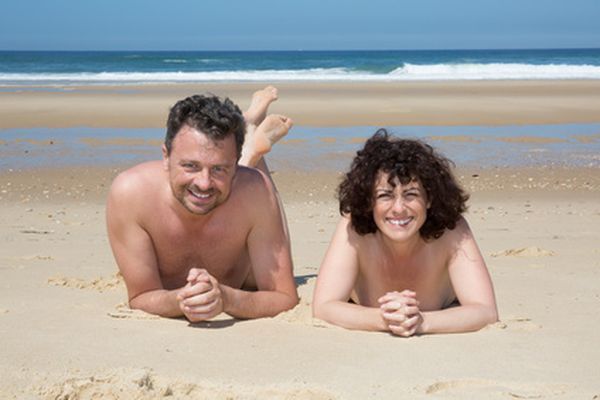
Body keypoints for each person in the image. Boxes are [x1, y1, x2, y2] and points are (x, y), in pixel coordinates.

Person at [106, 86, 299, 322]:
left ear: (234, 164)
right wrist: (180, 300)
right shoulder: (132, 193)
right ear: (166, 157)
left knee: (260, 189)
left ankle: (249, 142)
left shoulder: (254, 191)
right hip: (239, 181)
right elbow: (141, 296)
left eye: (219, 168)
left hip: (243, 272)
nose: (204, 183)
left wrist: (228, 299)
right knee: (247, 186)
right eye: (190, 166)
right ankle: (249, 136)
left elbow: (284, 297)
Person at [312, 129, 498, 336]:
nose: (399, 208)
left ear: (429, 199)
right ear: (369, 200)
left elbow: (485, 311)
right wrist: (384, 319)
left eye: (411, 194)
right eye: (385, 195)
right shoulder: (353, 227)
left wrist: (422, 322)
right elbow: (323, 306)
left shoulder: (451, 229)